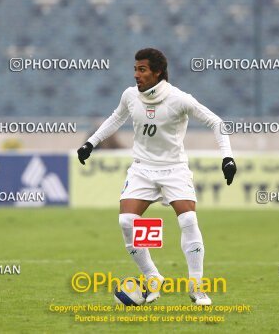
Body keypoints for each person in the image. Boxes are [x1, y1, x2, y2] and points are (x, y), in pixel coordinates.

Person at [77, 48, 236, 305]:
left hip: (174, 169)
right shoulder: (130, 96)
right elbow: (115, 119)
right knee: (127, 222)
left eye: (142, 69)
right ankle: (153, 278)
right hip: (142, 168)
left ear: (157, 72)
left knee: (188, 220)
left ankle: (197, 288)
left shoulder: (179, 99)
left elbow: (217, 122)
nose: (136, 75)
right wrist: (90, 143)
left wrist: (227, 157)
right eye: (135, 69)